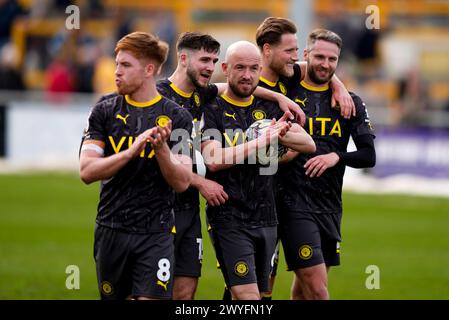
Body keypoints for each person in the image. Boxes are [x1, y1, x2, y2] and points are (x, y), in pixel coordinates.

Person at [156, 31, 306, 300]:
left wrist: (278, 98)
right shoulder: (159, 96)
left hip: (189, 209)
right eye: (204, 60)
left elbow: (240, 84)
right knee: (150, 292)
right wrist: (201, 182)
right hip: (157, 208)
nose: (209, 68)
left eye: (213, 61)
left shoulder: (203, 94)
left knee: (185, 294)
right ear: (182, 58)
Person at [236, 16, 356, 300]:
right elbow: (221, 89)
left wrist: (337, 84)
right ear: (267, 50)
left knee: (270, 289)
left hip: (281, 204)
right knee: (251, 292)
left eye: (296, 50)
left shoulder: (287, 79)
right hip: (249, 206)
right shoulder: (242, 88)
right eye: (289, 51)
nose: (295, 57)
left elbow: (316, 65)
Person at [79, 31, 193, 300]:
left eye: (126, 65)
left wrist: (162, 150)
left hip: (156, 232)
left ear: (149, 69)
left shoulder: (177, 117)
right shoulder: (104, 111)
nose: (117, 71)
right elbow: (86, 172)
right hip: (111, 228)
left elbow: (182, 182)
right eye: (117, 63)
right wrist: (130, 152)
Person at [201, 40, 315, 300]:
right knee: (248, 296)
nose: (247, 75)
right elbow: (214, 159)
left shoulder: (270, 109)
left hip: (266, 215)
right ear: (226, 68)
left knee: (258, 296)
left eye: (254, 68)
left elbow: (308, 144)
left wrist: (279, 136)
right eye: (240, 67)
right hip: (229, 215)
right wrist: (260, 142)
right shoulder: (212, 107)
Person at [278, 29, 376, 300]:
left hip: (330, 206)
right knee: (320, 292)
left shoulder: (349, 102)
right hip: (294, 204)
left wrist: (337, 157)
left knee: (303, 293)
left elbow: (369, 156)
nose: (325, 64)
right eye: (319, 56)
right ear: (306, 55)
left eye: (332, 59)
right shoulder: (286, 89)